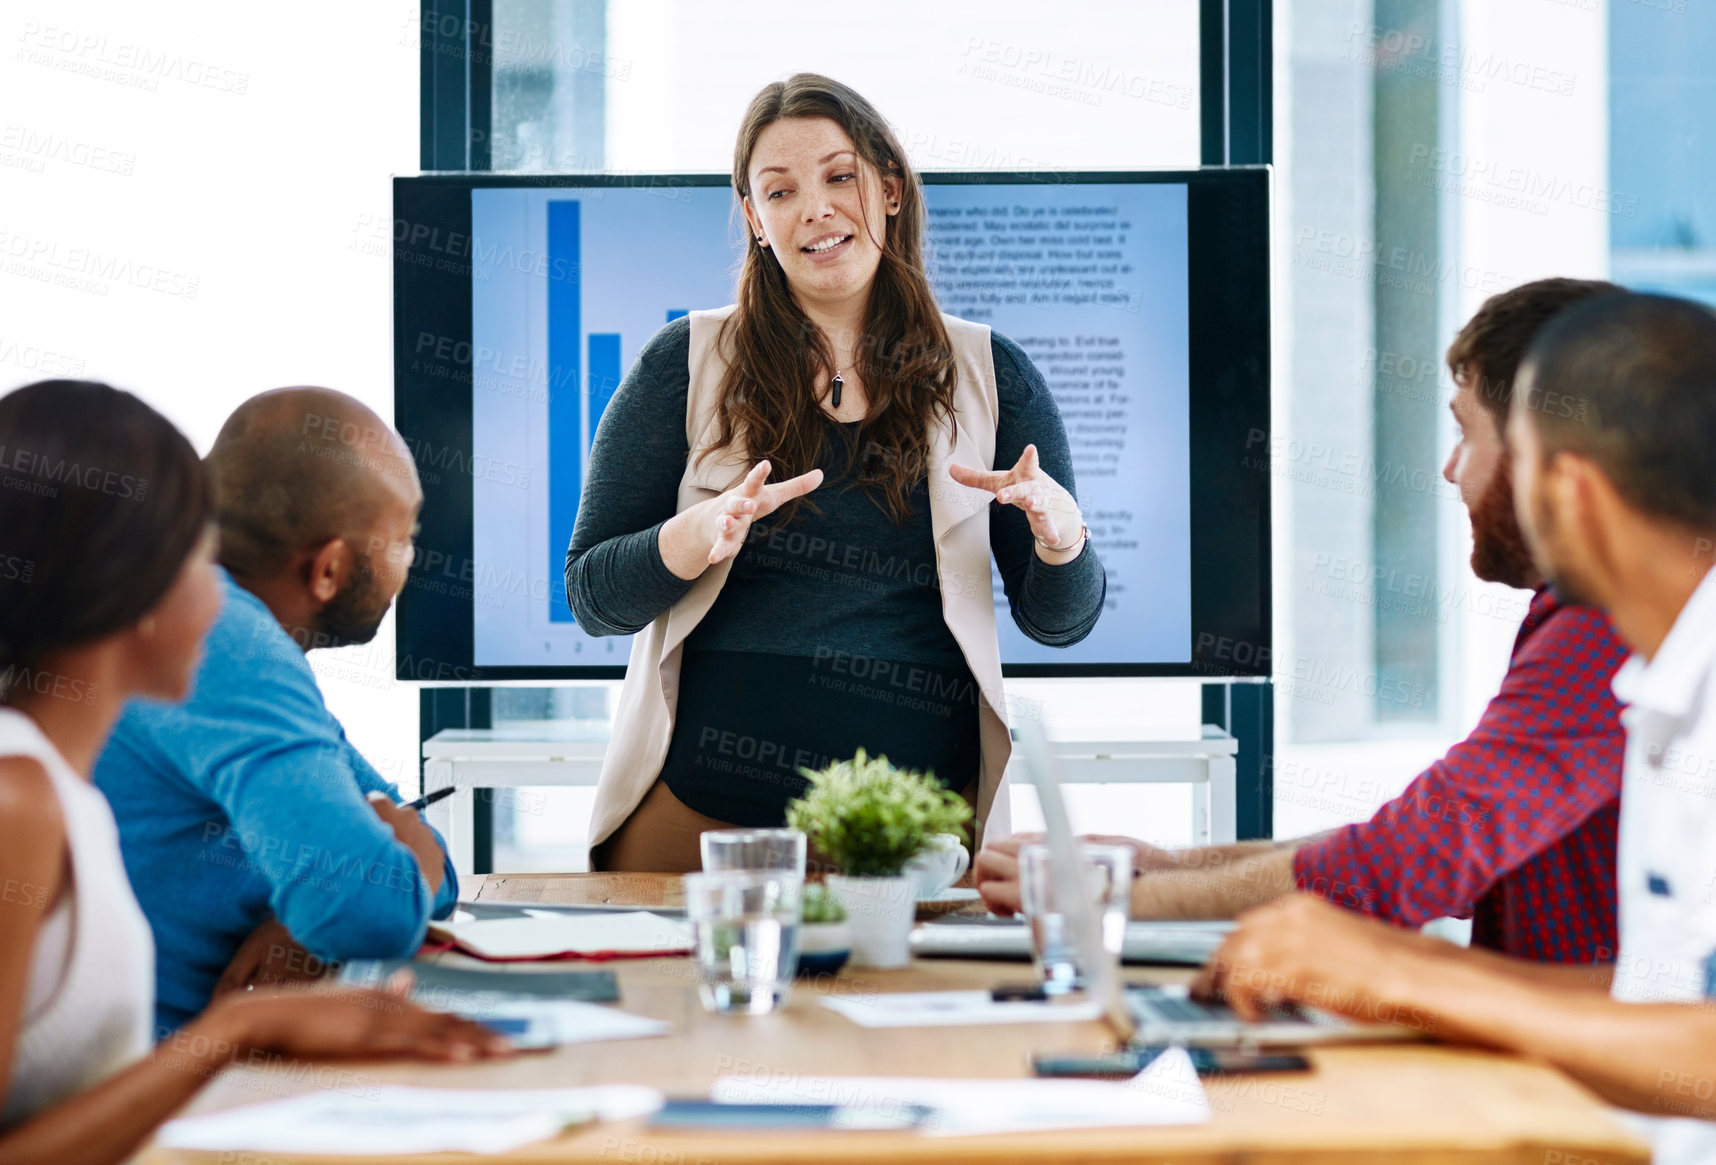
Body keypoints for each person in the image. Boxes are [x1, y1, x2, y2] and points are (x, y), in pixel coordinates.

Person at [1198, 291, 1716, 1165]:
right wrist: (1394, 979)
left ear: (1571, 490)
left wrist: (1404, 973)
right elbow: (1666, 1006)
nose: (1456, 472)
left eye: (1497, 445)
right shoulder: (1666, 688)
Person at [976, 277, 1629, 965]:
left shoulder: (1604, 626)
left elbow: (1422, 857)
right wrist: (1167, 867)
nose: (1449, 469)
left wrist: (1099, 897)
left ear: (1553, 457)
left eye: (1467, 433)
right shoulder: (1569, 609)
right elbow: (1425, 841)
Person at [565, 73, 1105, 872]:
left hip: (915, 832)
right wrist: (693, 537)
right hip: (702, 823)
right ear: (755, 219)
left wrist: (1062, 540)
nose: (814, 208)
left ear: (889, 191)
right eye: (780, 191)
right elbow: (593, 598)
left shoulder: (992, 372)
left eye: (839, 177)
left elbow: (1059, 621)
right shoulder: (681, 363)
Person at [0, 380, 508, 1163]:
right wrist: (236, 1029)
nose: (220, 599)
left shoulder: (55, 785)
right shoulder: (19, 799)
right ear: (120, 592)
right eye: (190, 562)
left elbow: (387, 834)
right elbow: (364, 897)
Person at [92, 387, 458, 1031]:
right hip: (162, 1090)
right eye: (404, 538)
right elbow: (367, 912)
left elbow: (403, 863)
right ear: (328, 569)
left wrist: (302, 916)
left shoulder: (201, 614)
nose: (412, 562)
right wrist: (397, 869)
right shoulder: (230, 642)